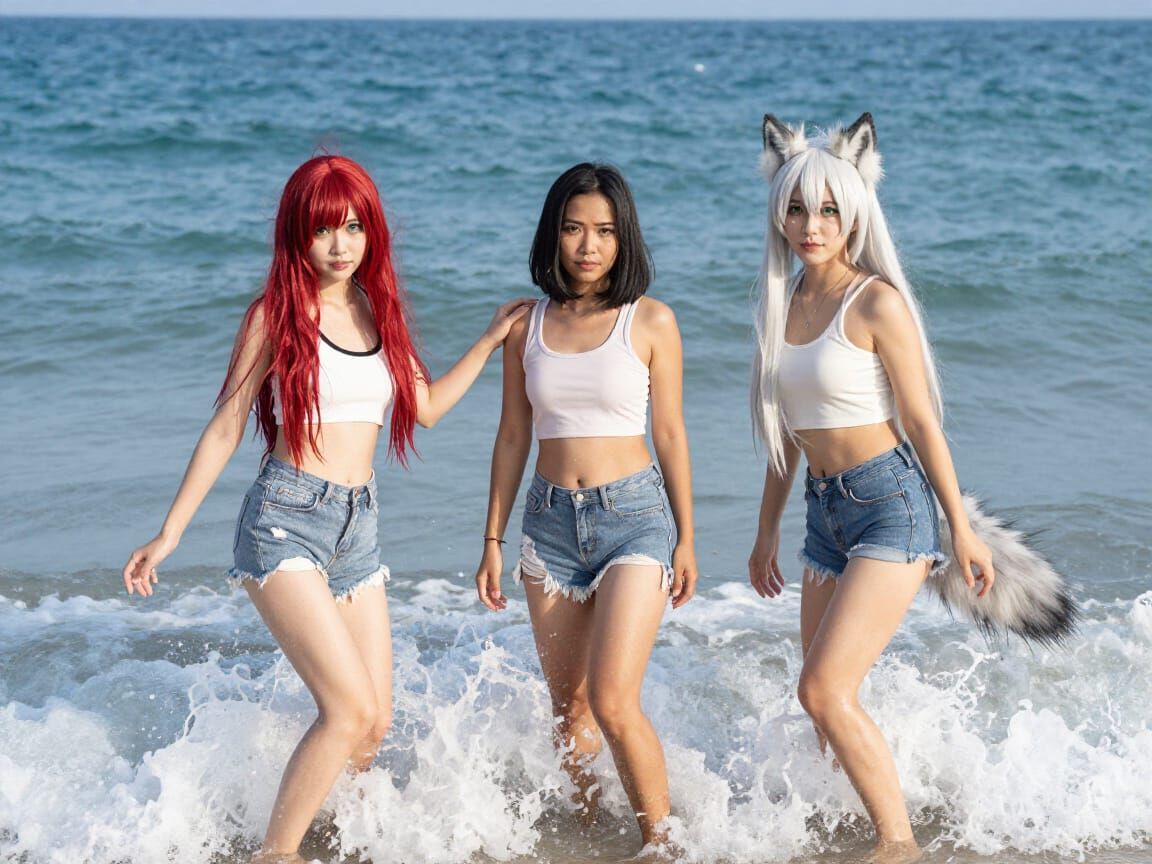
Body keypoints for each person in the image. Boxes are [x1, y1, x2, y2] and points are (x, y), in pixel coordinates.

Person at [121, 155, 532, 863]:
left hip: (358, 530)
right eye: (322, 229)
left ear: (370, 231)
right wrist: (170, 531)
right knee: (346, 712)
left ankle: (336, 839)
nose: (339, 245)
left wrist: (493, 341)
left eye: (351, 227)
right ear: (295, 235)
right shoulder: (274, 316)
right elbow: (227, 425)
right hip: (284, 522)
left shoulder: (380, 312)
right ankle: (275, 854)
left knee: (373, 725)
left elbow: (426, 408)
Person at [747, 114, 995, 864]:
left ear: (854, 208)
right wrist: (765, 531)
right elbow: (787, 433)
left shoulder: (876, 301)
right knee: (824, 709)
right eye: (797, 208)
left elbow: (922, 420)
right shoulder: (781, 305)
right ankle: (846, 830)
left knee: (823, 691)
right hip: (825, 517)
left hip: (892, 505)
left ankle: (899, 845)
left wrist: (962, 527)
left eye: (827, 209)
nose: (811, 225)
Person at [474, 163, 696, 849]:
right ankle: (592, 836)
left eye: (603, 230)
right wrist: (492, 539)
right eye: (574, 228)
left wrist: (687, 538)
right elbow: (513, 434)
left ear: (623, 238)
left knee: (612, 699)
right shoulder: (526, 325)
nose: (588, 245)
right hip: (548, 524)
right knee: (568, 710)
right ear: (554, 234)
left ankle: (662, 843)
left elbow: (669, 433)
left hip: (634, 519)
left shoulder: (650, 320)